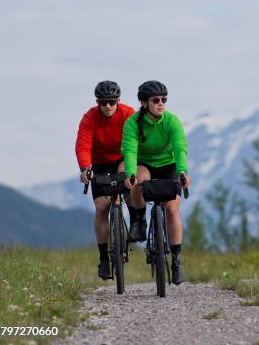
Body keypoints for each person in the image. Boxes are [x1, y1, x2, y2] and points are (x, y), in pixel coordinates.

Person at [121, 80, 190, 285]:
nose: (161, 103)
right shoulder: (133, 123)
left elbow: (179, 147)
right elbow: (130, 149)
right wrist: (131, 173)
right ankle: (139, 220)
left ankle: (176, 261)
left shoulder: (172, 121)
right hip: (144, 164)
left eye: (164, 99)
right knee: (138, 181)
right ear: (144, 103)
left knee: (172, 210)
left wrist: (182, 172)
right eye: (156, 100)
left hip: (168, 164)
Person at [75, 81, 135, 280]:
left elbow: (135, 140)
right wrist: (85, 168)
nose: (107, 106)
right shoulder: (90, 117)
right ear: (97, 102)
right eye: (103, 102)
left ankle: (136, 222)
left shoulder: (128, 114)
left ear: (118, 101)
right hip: (99, 163)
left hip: (123, 158)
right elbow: (83, 145)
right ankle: (103, 259)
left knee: (128, 180)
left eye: (111, 102)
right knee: (101, 207)